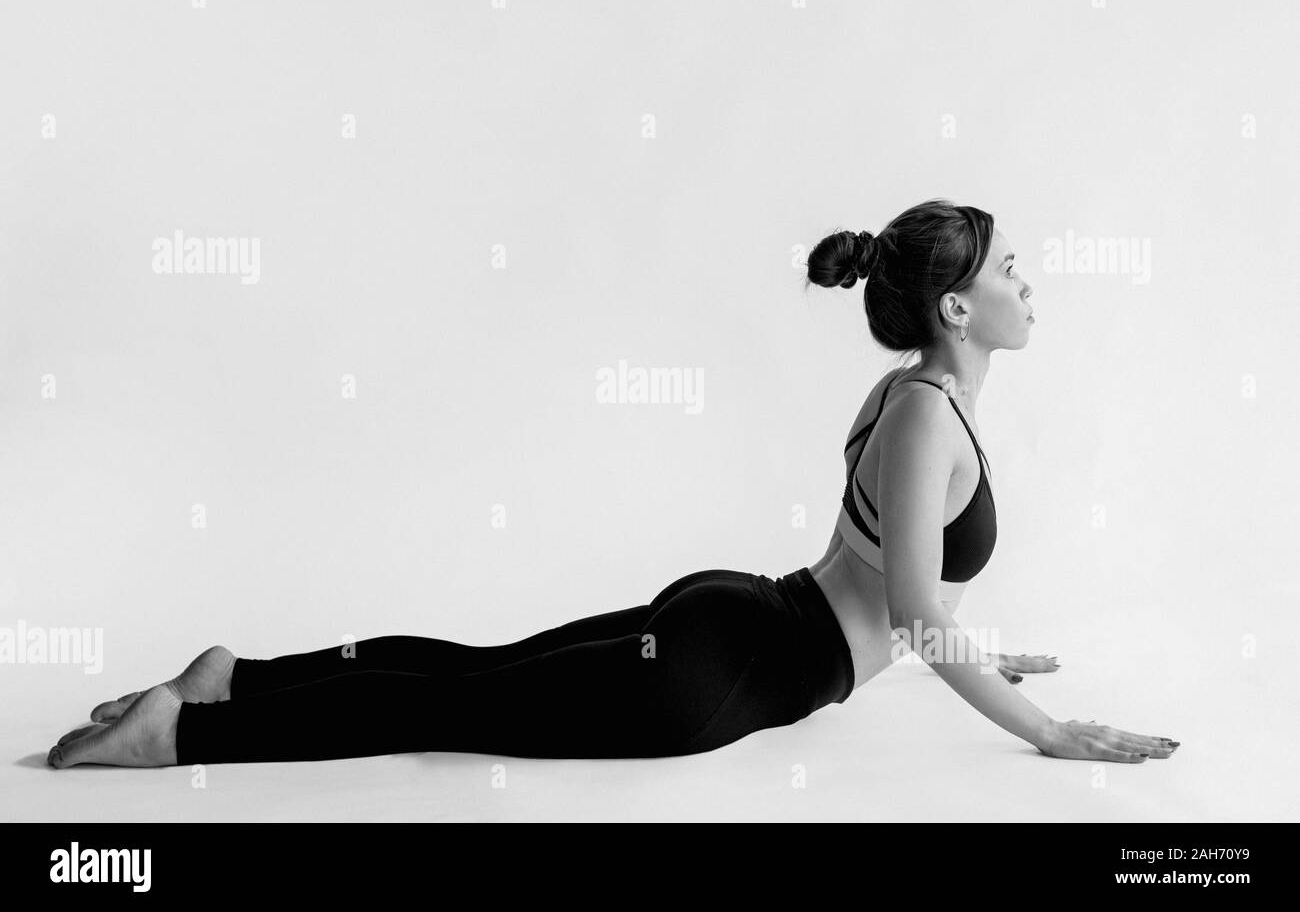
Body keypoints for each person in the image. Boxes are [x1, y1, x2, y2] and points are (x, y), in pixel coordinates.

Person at [47, 198, 1178, 768]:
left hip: (735, 619)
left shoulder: (919, 400)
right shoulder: (929, 411)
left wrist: (980, 649)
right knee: (456, 709)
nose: (1029, 285)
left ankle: (235, 677)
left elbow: (902, 581)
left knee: (478, 676)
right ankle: (182, 737)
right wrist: (1047, 733)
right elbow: (919, 611)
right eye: (1008, 273)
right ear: (954, 310)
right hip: (731, 668)